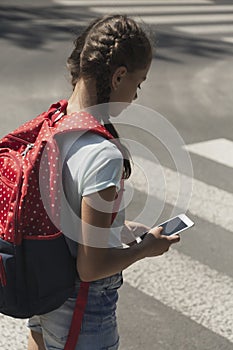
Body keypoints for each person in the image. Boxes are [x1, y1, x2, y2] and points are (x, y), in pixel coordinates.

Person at [27, 14, 180, 350]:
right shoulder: (103, 156)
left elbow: (64, 211)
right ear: (118, 76)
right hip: (82, 315)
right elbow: (92, 266)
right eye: (138, 84)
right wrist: (145, 249)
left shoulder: (52, 123)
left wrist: (119, 230)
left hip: (42, 293)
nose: (137, 96)